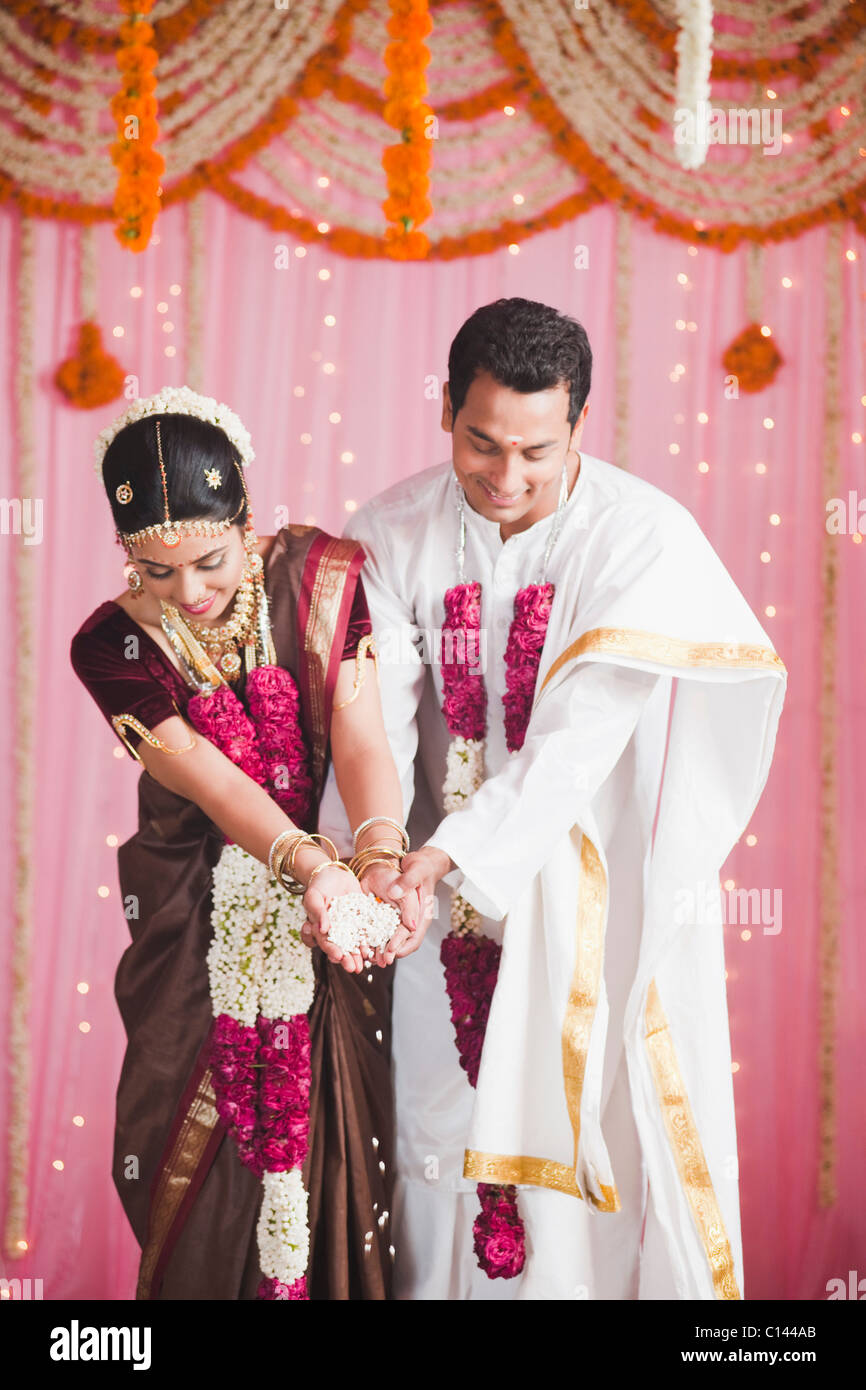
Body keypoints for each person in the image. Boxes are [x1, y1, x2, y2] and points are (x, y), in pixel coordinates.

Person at [319, 297, 787, 1300]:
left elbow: (576, 745)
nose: (506, 476)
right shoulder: (388, 531)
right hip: (429, 899)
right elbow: (377, 721)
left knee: (592, 1130)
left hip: (594, 892)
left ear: (578, 423)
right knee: (437, 1128)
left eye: (536, 449)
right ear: (445, 408)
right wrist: (380, 854)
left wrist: (442, 856)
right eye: (480, 443)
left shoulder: (641, 536)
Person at [70, 387, 420, 1300]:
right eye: (154, 571)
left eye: (211, 559)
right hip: (194, 901)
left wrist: (374, 865)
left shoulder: (325, 577)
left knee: (331, 1134)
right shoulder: (110, 645)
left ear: (247, 520)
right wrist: (312, 869)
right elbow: (216, 785)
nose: (188, 592)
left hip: (327, 894)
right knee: (187, 1126)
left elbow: (361, 739)